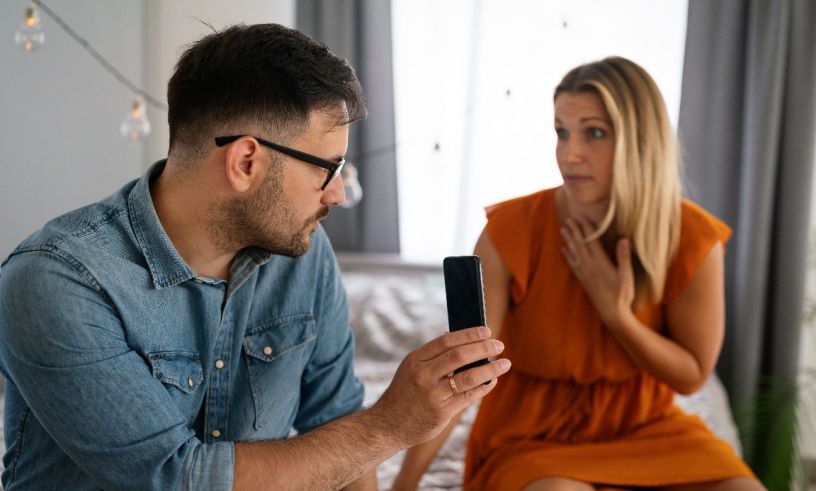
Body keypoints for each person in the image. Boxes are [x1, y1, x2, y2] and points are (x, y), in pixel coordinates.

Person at [0, 24, 511, 490]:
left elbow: (337, 425)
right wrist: (393, 424)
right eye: (327, 169)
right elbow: (174, 480)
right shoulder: (54, 281)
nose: (336, 195)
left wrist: (379, 432)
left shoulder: (303, 255)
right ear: (245, 161)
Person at [393, 56, 765, 491]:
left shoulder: (691, 237)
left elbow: (691, 376)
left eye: (595, 133)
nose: (569, 153)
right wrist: (405, 483)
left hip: (647, 431)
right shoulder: (510, 231)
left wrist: (617, 315)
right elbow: (461, 370)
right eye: (561, 131)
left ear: (641, 141)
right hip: (532, 440)